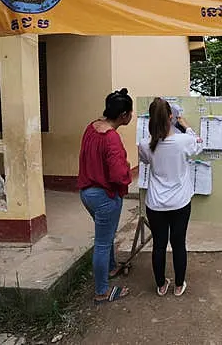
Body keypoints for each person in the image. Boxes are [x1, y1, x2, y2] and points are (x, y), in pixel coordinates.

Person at [139, 98, 203, 297]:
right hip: (180, 202)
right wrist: (185, 126)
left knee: (159, 244)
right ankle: (178, 285)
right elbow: (198, 144)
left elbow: (145, 160)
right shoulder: (184, 140)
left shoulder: (145, 144)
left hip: (156, 203)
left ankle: (160, 285)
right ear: (170, 117)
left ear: (150, 120)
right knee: (178, 243)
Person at [78, 88, 133, 304]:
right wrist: (128, 169)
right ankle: (102, 292)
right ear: (123, 116)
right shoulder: (111, 138)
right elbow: (118, 175)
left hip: (87, 193)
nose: (131, 116)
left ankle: (111, 268)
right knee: (102, 242)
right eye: (130, 113)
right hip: (104, 197)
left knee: (107, 235)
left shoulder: (91, 128)